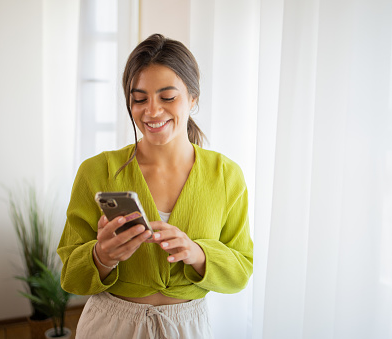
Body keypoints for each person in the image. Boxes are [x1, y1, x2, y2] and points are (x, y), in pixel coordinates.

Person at [57, 33, 253, 339]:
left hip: (186, 327)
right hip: (110, 327)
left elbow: (241, 272)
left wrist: (198, 254)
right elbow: (70, 276)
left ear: (193, 98)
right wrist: (102, 256)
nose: (151, 111)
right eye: (139, 99)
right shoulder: (96, 172)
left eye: (167, 97)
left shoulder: (226, 176)